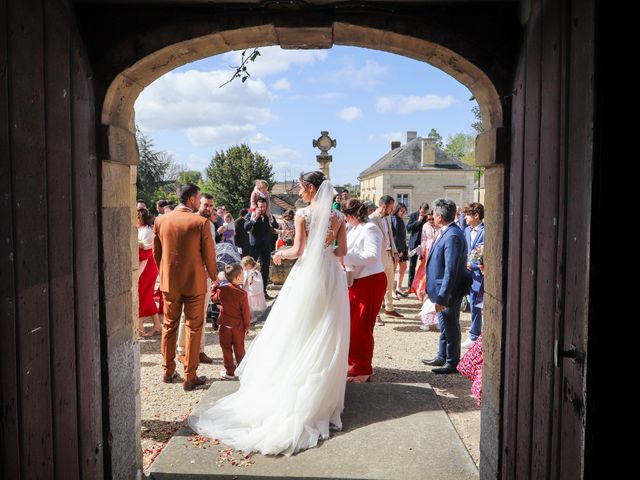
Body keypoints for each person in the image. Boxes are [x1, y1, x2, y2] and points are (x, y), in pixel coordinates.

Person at [190, 171, 349, 456]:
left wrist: (279, 254)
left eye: (301, 188)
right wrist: (323, 251)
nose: (300, 193)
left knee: (297, 329)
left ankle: (295, 387)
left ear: (311, 189)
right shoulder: (338, 218)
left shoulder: (303, 214)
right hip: (331, 277)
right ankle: (322, 396)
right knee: (326, 332)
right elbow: (342, 251)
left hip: (308, 277)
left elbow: (298, 250)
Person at [153, 183, 217, 391]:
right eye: (198, 199)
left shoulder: (160, 220)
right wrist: (215, 276)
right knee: (193, 327)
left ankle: (167, 369)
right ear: (191, 200)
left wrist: (165, 273)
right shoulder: (200, 222)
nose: (199, 202)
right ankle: (190, 375)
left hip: (169, 282)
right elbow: (209, 255)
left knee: (169, 325)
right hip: (194, 282)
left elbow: (157, 254)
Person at [421, 198, 471, 375]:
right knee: (444, 325)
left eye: (434, 213)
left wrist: (443, 296)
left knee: (451, 326)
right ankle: (442, 356)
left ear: (440, 216)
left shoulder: (453, 236)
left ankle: (452, 361)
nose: (432, 216)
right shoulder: (447, 231)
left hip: (449, 291)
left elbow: (451, 269)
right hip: (441, 289)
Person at [342, 199, 386, 383]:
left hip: (370, 280)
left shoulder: (370, 229)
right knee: (352, 325)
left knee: (362, 326)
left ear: (351, 215)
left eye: (346, 217)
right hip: (358, 281)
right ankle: (353, 364)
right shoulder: (355, 228)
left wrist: (342, 256)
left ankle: (363, 369)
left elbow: (371, 256)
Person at [175, 194, 218, 366]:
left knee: (202, 316)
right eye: (206, 205)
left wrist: (213, 274)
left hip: (206, 276)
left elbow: (212, 251)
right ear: (198, 204)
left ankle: (199, 350)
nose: (208, 208)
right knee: (187, 314)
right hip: (192, 275)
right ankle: (182, 350)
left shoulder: (211, 225)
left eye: (211, 206)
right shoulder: (191, 222)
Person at [211, 263, 251, 380]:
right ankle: (242, 370)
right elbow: (245, 312)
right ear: (238, 278)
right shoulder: (242, 294)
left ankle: (230, 372)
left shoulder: (222, 290)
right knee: (239, 349)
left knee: (226, 349)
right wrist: (247, 326)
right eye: (243, 275)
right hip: (237, 327)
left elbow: (213, 299)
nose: (244, 277)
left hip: (224, 325)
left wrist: (215, 285)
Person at [369, 195, 403, 320]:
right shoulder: (372, 218)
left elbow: (390, 237)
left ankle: (389, 308)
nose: (392, 209)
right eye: (391, 207)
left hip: (389, 255)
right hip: (379, 256)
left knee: (389, 284)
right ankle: (376, 314)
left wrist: (394, 253)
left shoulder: (387, 218)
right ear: (384, 206)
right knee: (378, 286)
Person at [244, 198, 279, 298]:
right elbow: (246, 227)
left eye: (264, 206)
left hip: (266, 245)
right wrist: (255, 218)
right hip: (254, 245)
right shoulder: (251, 214)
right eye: (260, 207)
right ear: (257, 206)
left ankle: (263, 292)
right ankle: (250, 292)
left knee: (265, 268)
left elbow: (276, 226)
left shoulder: (269, 214)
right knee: (251, 268)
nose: (262, 209)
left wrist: (271, 218)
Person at [462, 202, 485, 348]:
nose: (464, 218)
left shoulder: (486, 231)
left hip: (481, 274)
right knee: (472, 304)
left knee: (478, 305)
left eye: (467, 215)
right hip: (468, 274)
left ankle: (475, 336)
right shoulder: (465, 231)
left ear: (476, 215)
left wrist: (476, 265)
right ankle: (475, 335)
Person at [137, 207, 161, 336]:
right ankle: (157, 324)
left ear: (140, 218)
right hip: (146, 266)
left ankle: (140, 327)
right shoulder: (143, 230)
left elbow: (145, 256)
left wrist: (137, 274)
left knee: (141, 295)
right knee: (145, 295)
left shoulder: (146, 231)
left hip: (147, 267)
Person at [406, 203, 430, 290]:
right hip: (414, 245)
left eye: (425, 212)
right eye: (422, 211)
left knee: (424, 265)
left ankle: (422, 286)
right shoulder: (413, 215)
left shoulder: (428, 218)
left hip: (424, 245)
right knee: (412, 265)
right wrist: (418, 221)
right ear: (419, 209)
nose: (423, 214)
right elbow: (408, 228)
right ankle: (410, 286)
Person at [391, 202, 409, 298]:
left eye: (404, 211)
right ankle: (392, 290)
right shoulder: (395, 220)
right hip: (397, 248)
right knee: (394, 269)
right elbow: (395, 237)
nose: (403, 213)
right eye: (401, 211)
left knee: (404, 267)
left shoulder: (400, 220)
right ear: (397, 210)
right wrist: (398, 250)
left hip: (403, 247)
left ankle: (399, 287)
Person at [241, 256, 267, 322]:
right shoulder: (246, 271)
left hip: (250, 291)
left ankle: (252, 317)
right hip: (246, 290)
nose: (243, 267)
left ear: (249, 265)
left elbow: (254, 281)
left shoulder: (254, 272)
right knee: (247, 304)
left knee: (249, 304)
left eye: (244, 265)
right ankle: (249, 316)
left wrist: (251, 279)